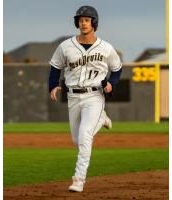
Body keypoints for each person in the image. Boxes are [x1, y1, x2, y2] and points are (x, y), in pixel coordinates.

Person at [49, 5, 122, 192]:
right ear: (77, 23)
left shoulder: (106, 47)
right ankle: (103, 118)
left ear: (94, 23)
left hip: (94, 95)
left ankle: (78, 179)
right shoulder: (65, 46)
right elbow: (56, 67)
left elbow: (117, 68)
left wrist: (111, 84)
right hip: (73, 96)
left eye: (87, 20)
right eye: (80, 20)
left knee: (84, 135)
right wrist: (53, 85)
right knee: (77, 139)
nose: (83, 23)